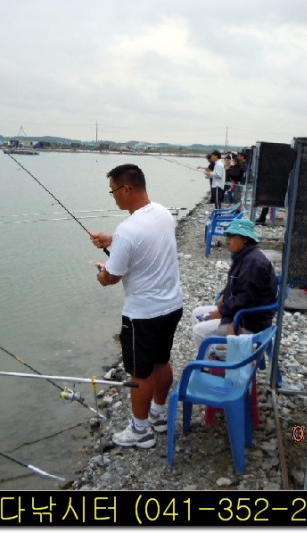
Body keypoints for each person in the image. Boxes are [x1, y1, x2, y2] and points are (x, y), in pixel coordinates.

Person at [90, 164, 184, 449]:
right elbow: (146, 245)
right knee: (161, 362)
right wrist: (113, 241)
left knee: (140, 373)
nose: (113, 197)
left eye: (113, 191)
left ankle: (140, 430)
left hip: (142, 315)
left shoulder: (127, 230)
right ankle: (158, 414)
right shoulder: (163, 213)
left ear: (127, 189)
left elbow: (112, 277)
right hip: (172, 306)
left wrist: (102, 274)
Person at [191, 218, 277, 351]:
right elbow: (236, 286)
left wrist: (222, 313)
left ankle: (211, 363)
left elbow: (244, 299)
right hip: (239, 313)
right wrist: (223, 297)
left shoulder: (253, 263)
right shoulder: (243, 256)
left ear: (245, 239)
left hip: (248, 322)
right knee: (196, 313)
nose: (228, 239)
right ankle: (214, 356)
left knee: (199, 332)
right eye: (228, 236)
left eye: (232, 236)